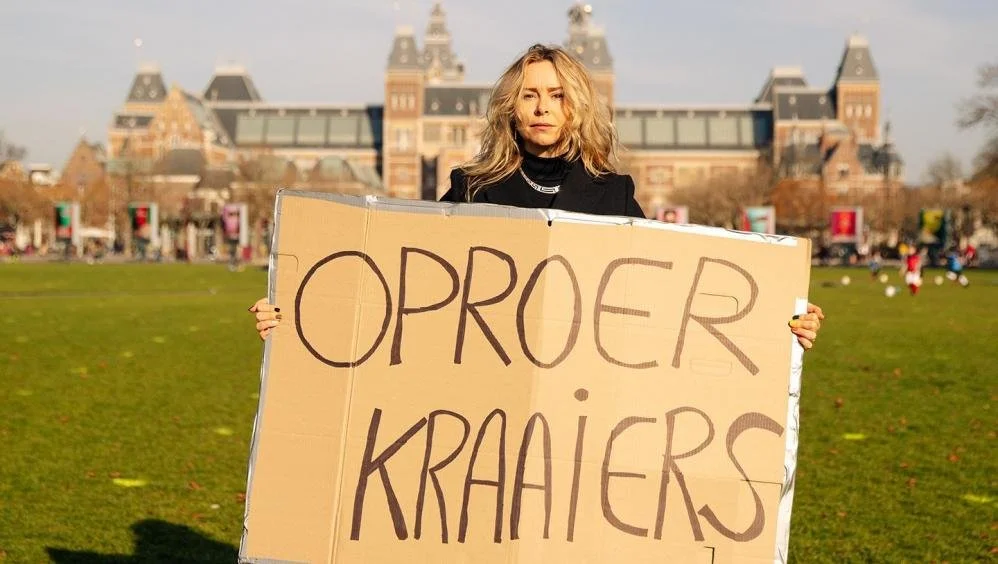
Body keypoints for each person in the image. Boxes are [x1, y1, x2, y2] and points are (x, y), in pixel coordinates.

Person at [248, 44, 824, 349]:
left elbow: (675, 295)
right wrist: (297, 309)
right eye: (529, 95)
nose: (543, 107)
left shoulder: (613, 195)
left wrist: (780, 320)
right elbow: (403, 284)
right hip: (483, 392)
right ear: (512, 108)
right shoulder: (472, 190)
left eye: (557, 95)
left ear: (576, 107)